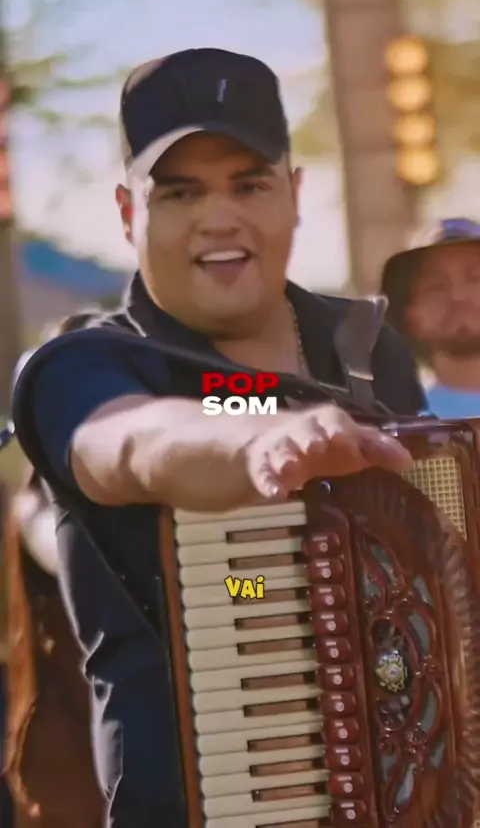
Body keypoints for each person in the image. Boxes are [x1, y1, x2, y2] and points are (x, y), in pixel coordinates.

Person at [11, 48, 426, 828]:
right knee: (244, 585)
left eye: (249, 184)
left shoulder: (372, 352)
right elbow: (134, 444)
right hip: (195, 809)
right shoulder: (84, 367)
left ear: (294, 195)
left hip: (407, 800)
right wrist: (254, 442)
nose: (219, 216)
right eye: (180, 192)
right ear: (129, 213)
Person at [4, 312, 105, 828]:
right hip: (74, 762)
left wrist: (256, 586)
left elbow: (229, 586)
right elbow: (80, 564)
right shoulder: (35, 511)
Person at [380, 217, 480, 418]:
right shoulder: (393, 419)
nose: (458, 295)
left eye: (475, 278)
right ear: (410, 314)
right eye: (436, 286)